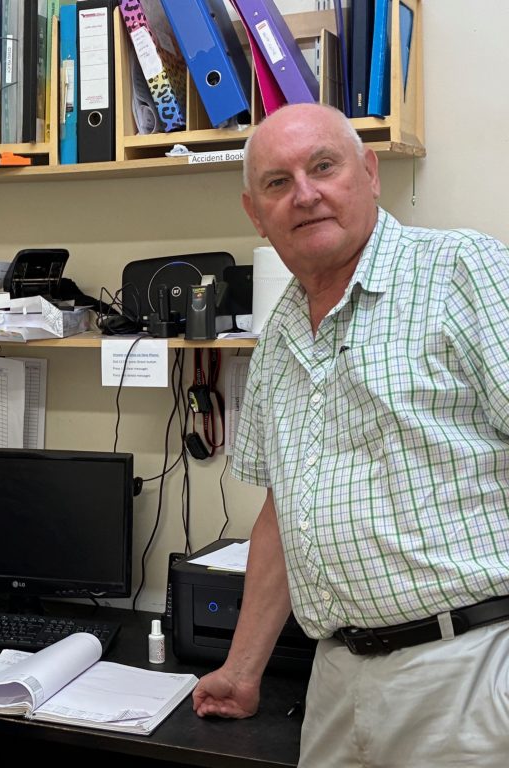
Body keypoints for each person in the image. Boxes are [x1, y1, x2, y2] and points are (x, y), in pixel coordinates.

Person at [192, 102, 509, 767]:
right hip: (335, 678)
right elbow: (286, 511)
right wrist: (243, 668)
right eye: (277, 183)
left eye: (323, 167)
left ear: (369, 173)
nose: (303, 194)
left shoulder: (460, 270)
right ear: (255, 212)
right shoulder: (278, 334)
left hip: (469, 670)